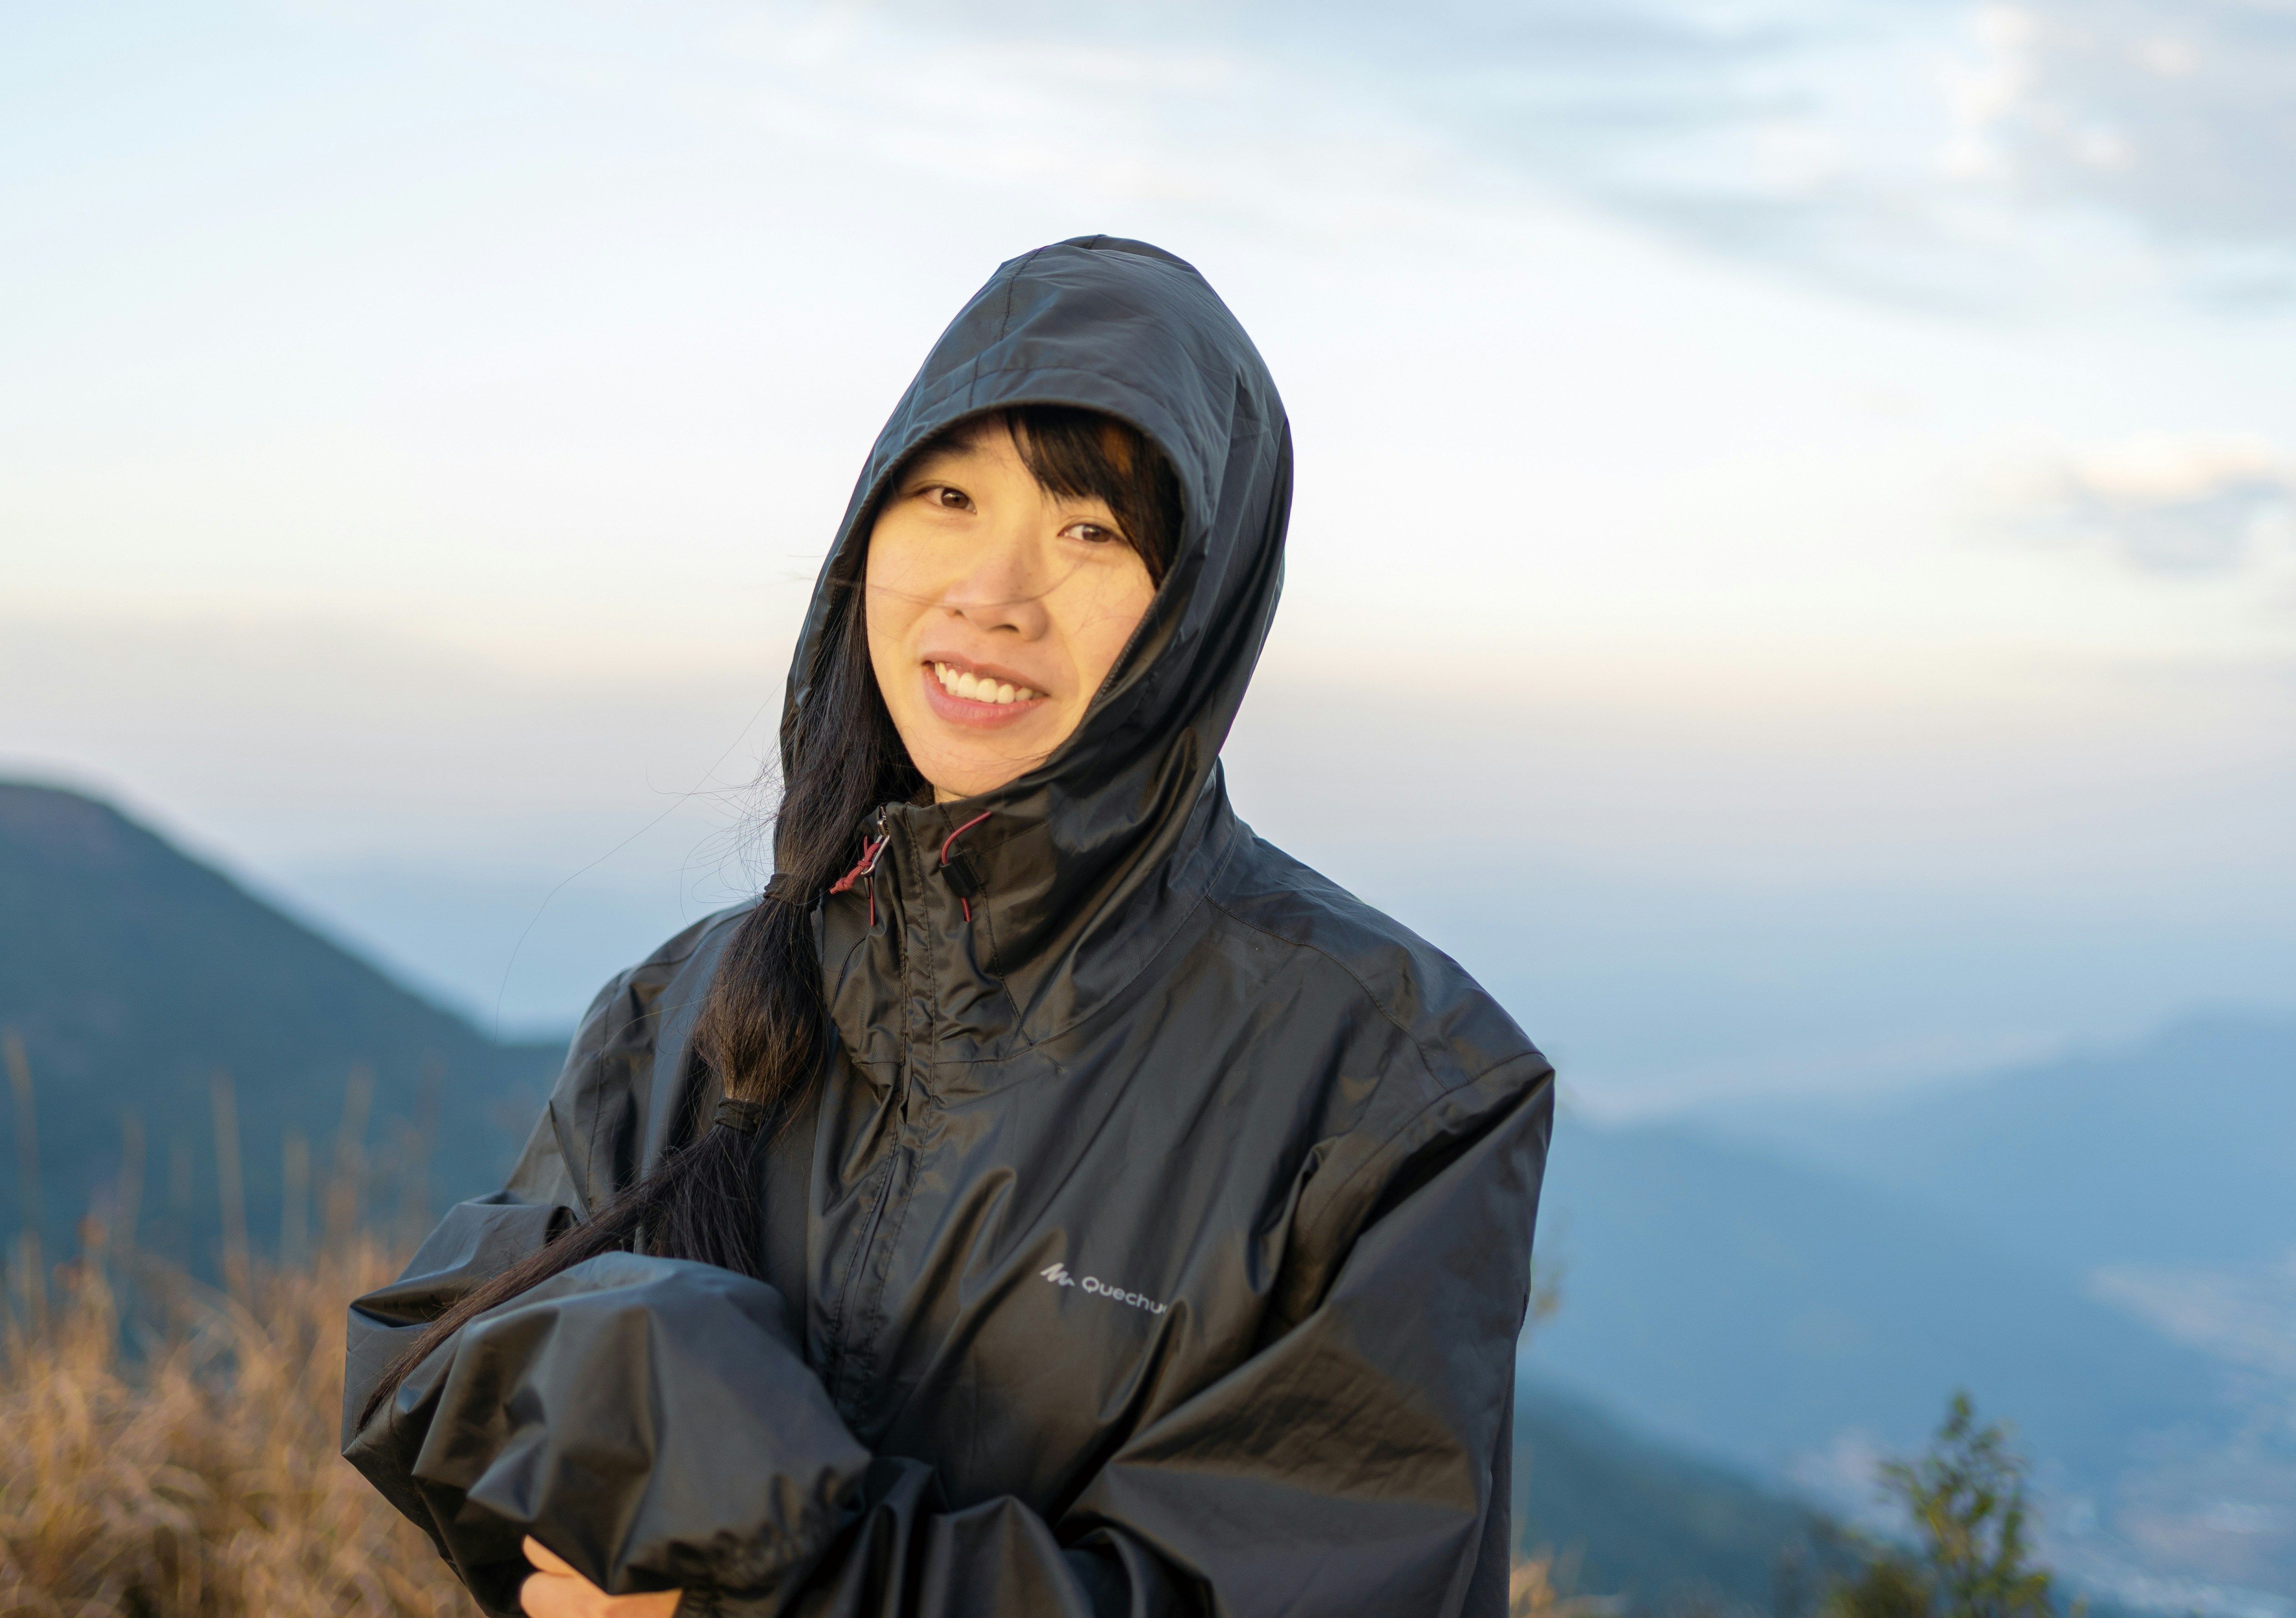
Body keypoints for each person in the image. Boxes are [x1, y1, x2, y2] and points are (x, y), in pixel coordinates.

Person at [342, 236, 1553, 1618]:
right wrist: (637, 1380)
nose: (992, 592)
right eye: (947, 496)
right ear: (866, 533)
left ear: (1199, 609)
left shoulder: (1397, 1087)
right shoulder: (680, 1010)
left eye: (1091, 530)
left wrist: (755, 1574)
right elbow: (422, 1362)